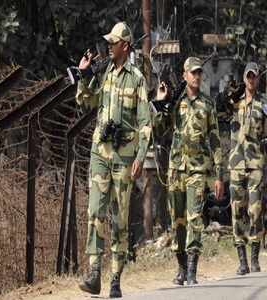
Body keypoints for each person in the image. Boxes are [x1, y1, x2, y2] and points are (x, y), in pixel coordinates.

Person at [75, 21, 151, 298]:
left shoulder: (137, 79)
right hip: (100, 153)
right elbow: (87, 102)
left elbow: (145, 123)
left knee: (118, 218)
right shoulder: (103, 71)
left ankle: (115, 277)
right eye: (108, 41)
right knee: (95, 212)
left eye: (113, 42)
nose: (109, 45)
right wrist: (84, 75)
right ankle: (94, 272)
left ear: (125, 46)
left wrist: (141, 156)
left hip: (124, 157)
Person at [156, 57, 224, 285]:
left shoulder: (207, 104)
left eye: (199, 73)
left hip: (197, 169)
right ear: (184, 75)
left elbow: (215, 140)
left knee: (195, 217)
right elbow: (159, 128)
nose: (197, 76)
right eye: (192, 72)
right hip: (176, 169)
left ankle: (193, 268)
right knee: (177, 219)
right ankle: (181, 267)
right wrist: (161, 102)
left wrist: (218, 175)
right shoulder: (175, 102)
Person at [228, 62, 266, 275]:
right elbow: (219, 109)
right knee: (237, 210)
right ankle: (242, 260)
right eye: (248, 76)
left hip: (257, 164)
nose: (251, 80)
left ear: (259, 79)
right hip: (236, 164)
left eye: (255, 76)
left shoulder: (264, 103)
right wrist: (229, 94)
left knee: (256, 210)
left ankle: (254, 257)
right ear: (244, 78)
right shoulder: (234, 102)